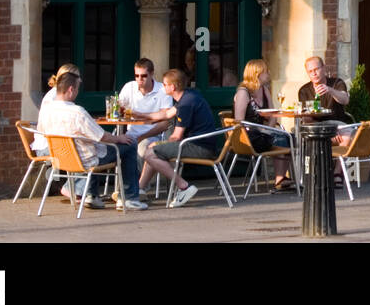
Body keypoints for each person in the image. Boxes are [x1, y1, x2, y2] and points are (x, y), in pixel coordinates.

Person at [40, 71, 147, 210]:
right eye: (77, 89)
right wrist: (119, 138)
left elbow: (42, 132)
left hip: (61, 158)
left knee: (91, 144)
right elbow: (102, 136)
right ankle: (129, 198)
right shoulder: (77, 112)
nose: (77, 93)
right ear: (71, 89)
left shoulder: (47, 111)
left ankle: (91, 195)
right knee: (129, 144)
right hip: (85, 159)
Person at [138, 69, 227, 206]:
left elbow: (176, 137)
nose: (163, 87)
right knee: (152, 150)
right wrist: (140, 115)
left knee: (150, 153)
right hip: (203, 144)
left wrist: (159, 145)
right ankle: (138, 190)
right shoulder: (188, 96)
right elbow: (167, 115)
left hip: (199, 147)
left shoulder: (185, 104)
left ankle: (184, 186)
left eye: (165, 84)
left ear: (172, 87)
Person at [235, 58, 293, 191]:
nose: (269, 73)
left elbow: (273, 114)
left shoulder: (264, 90)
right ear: (257, 73)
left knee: (290, 137)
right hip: (248, 136)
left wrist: (269, 129)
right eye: (266, 71)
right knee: (281, 138)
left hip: (262, 133)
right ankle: (280, 178)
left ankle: (283, 177)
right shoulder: (243, 93)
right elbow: (239, 121)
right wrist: (264, 131)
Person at [117, 58, 173, 175]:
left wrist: (142, 137)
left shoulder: (162, 90)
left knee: (142, 150)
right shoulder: (129, 87)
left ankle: (140, 188)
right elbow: (117, 109)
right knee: (113, 150)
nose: (139, 79)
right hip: (130, 134)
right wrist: (119, 110)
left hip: (154, 135)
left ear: (152, 74)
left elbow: (165, 122)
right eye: (136, 76)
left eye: (143, 76)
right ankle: (123, 189)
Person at [292, 55, 359, 151]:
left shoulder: (337, 83)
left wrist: (330, 90)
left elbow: (345, 100)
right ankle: (312, 165)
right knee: (294, 138)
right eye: (310, 71)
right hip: (316, 127)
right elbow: (306, 118)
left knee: (348, 137)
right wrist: (328, 132)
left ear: (323, 68)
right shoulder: (304, 90)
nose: (314, 73)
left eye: (316, 69)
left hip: (337, 124)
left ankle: (337, 166)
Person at [32, 63, 80, 156]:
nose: (79, 80)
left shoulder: (58, 93)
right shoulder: (56, 97)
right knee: (85, 152)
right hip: (48, 147)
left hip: (50, 144)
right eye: (76, 77)